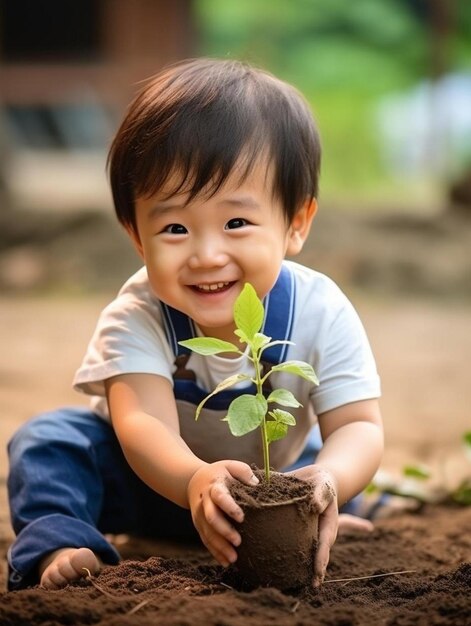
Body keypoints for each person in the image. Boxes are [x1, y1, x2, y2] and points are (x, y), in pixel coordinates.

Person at [7, 58, 383, 591]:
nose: (207, 255)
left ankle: (314, 520)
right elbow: (145, 426)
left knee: (329, 462)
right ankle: (60, 543)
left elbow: (360, 426)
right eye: (176, 227)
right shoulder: (137, 312)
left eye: (236, 223)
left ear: (296, 223)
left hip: (265, 490)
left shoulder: (321, 311)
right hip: (149, 486)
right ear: (137, 235)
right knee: (49, 442)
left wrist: (332, 481)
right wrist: (192, 480)